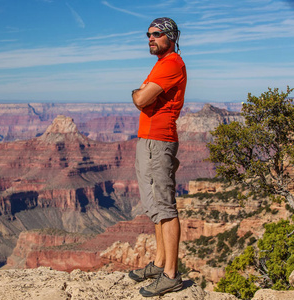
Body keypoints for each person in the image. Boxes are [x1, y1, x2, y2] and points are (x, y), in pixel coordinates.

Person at [129, 17, 187, 297]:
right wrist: (141, 93)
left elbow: (141, 99)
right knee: (153, 205)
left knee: (164, 206)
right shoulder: (161, 64)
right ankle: (160, 263)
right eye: (148, 34)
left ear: (171, 37)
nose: (150, 38)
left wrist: (135, 92)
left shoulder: (172, 63)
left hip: (159, 141)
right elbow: (144, 97)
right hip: (148, 140)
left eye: (156, 34)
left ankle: (171, 275)